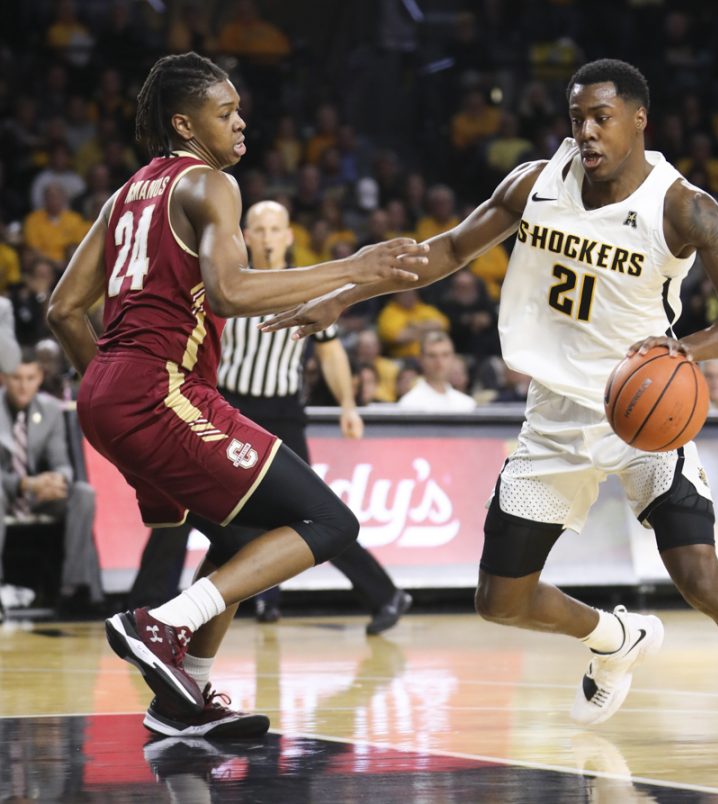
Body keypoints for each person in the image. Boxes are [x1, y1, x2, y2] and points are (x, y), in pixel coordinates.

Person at [265, 59, 718, 752]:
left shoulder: (682, 206)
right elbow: (446, 252)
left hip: (644, 410)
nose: (586, 130)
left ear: (639, 119)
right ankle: (614, 637)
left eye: (601, 118)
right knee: (501, 602)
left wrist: (687, 351)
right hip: (555, 416)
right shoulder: (535, 182)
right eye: (576, 117)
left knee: (701, 575)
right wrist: (346, 296)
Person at [46, 52, 426, 739]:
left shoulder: (128, 193)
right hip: (160, 389)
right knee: (333, 523)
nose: (240, 121)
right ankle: (161, 624)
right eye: (226, 112)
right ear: (185, 124)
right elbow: (231, 291)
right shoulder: (211, 184)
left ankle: (183, 694)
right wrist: (355, 267)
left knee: (242, 535)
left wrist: (105, 385)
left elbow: (63, 311)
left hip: (107, 394)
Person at [130, 200, 413, 633]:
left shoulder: (308, 283)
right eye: (257, 229)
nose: (264, 237)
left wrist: (348, 406)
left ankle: (384, 594)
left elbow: (331, 351)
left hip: (282, 415)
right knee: (183, 504)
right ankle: (147, 603)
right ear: (244, 235)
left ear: (287, 237)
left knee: (314, 515)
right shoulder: (224, 280)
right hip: (223, 406)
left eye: (273, 229)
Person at [0, 347, 103, 611]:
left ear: (39, 377)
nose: (24, 386)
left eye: (30, 378)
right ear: (3, 378)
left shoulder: (50, 410)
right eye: (16, 378)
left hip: (37, 496)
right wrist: (24, 484)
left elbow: (62, 463)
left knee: (82, 493)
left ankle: (74, 589)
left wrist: (57, 481)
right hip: (6, 493)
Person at [397, 331, 477, 412]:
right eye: (432, 356)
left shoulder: (467, 404)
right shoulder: (409, 404)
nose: (439, 361)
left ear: (453, 358)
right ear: (420, 359)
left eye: (445, 355)